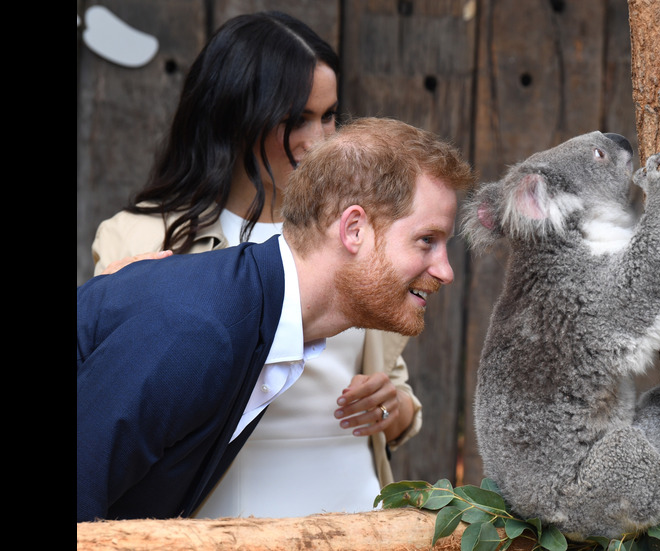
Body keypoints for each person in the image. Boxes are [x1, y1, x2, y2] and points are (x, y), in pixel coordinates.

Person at [88, 11, 419, 517]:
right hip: (223, 518)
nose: (320, 140)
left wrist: (394, 409)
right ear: (236, 115)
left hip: (357, 511)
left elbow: (394, 387)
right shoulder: (139, 237)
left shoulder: (359, 232)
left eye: (330, 116)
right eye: (296, 120)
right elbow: (115, 410)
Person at [77, 116, 477, 522]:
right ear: (354, 229)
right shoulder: (202, 329)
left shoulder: (262, 318)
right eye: (427, 240)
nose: (446, 271)